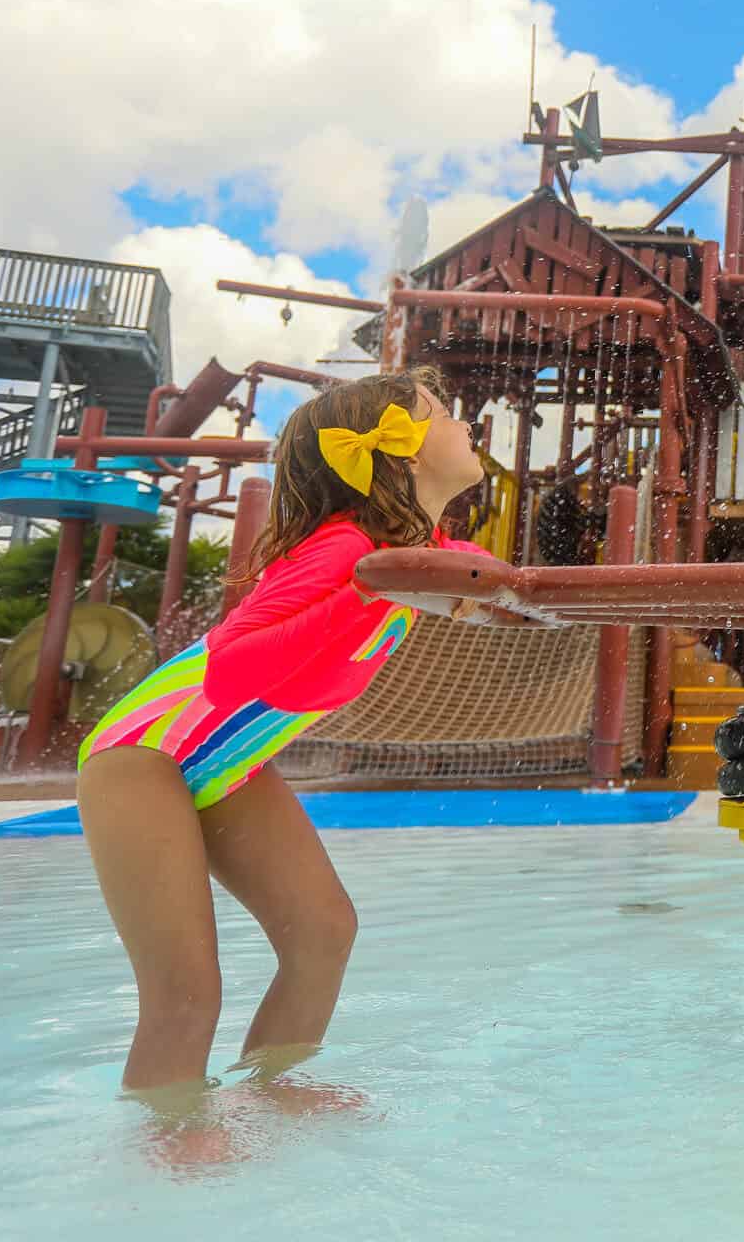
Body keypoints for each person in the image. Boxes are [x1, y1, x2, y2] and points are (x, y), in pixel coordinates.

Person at [74, 367, 489, 1127]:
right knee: (186, 987)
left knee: (323, 930)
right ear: (398, 450)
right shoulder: (344, 549)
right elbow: (235, 664)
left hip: (227, 761)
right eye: (444, 412)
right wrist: (366, 589)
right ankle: (166, 1139)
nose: (465, 424)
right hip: (145, 754)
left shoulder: (414, 551)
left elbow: (491, 588)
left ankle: (270, 1089)